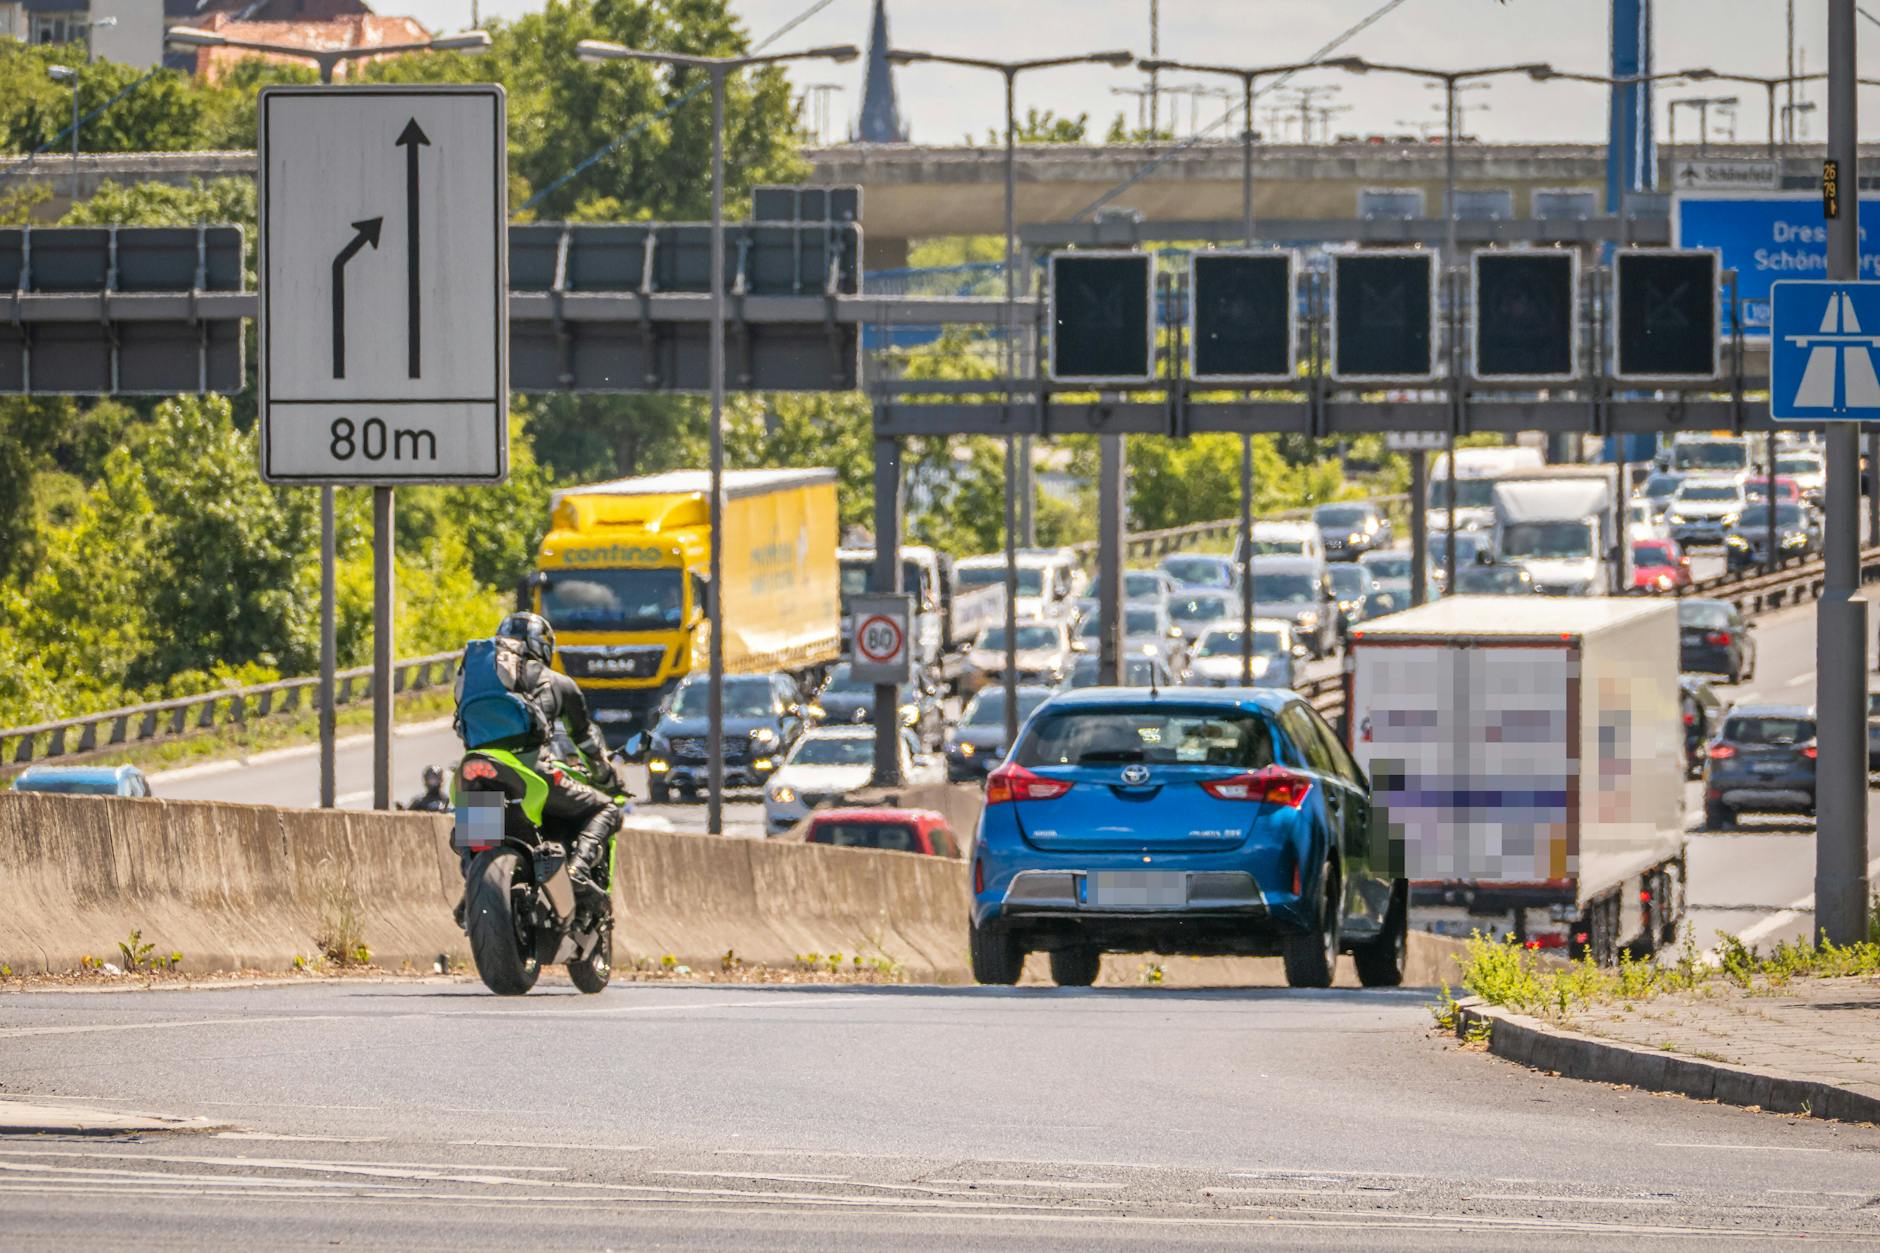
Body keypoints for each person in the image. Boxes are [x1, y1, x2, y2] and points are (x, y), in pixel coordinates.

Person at [455, 611, 628, 915]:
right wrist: (606, 775)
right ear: (544, 646)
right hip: (531, 770)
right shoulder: (557, 682)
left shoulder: (479, 678)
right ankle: (577, 869)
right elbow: (586, 740)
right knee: (607, 808)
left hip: (476, 767)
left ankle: (470, 892)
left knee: (476, 839)